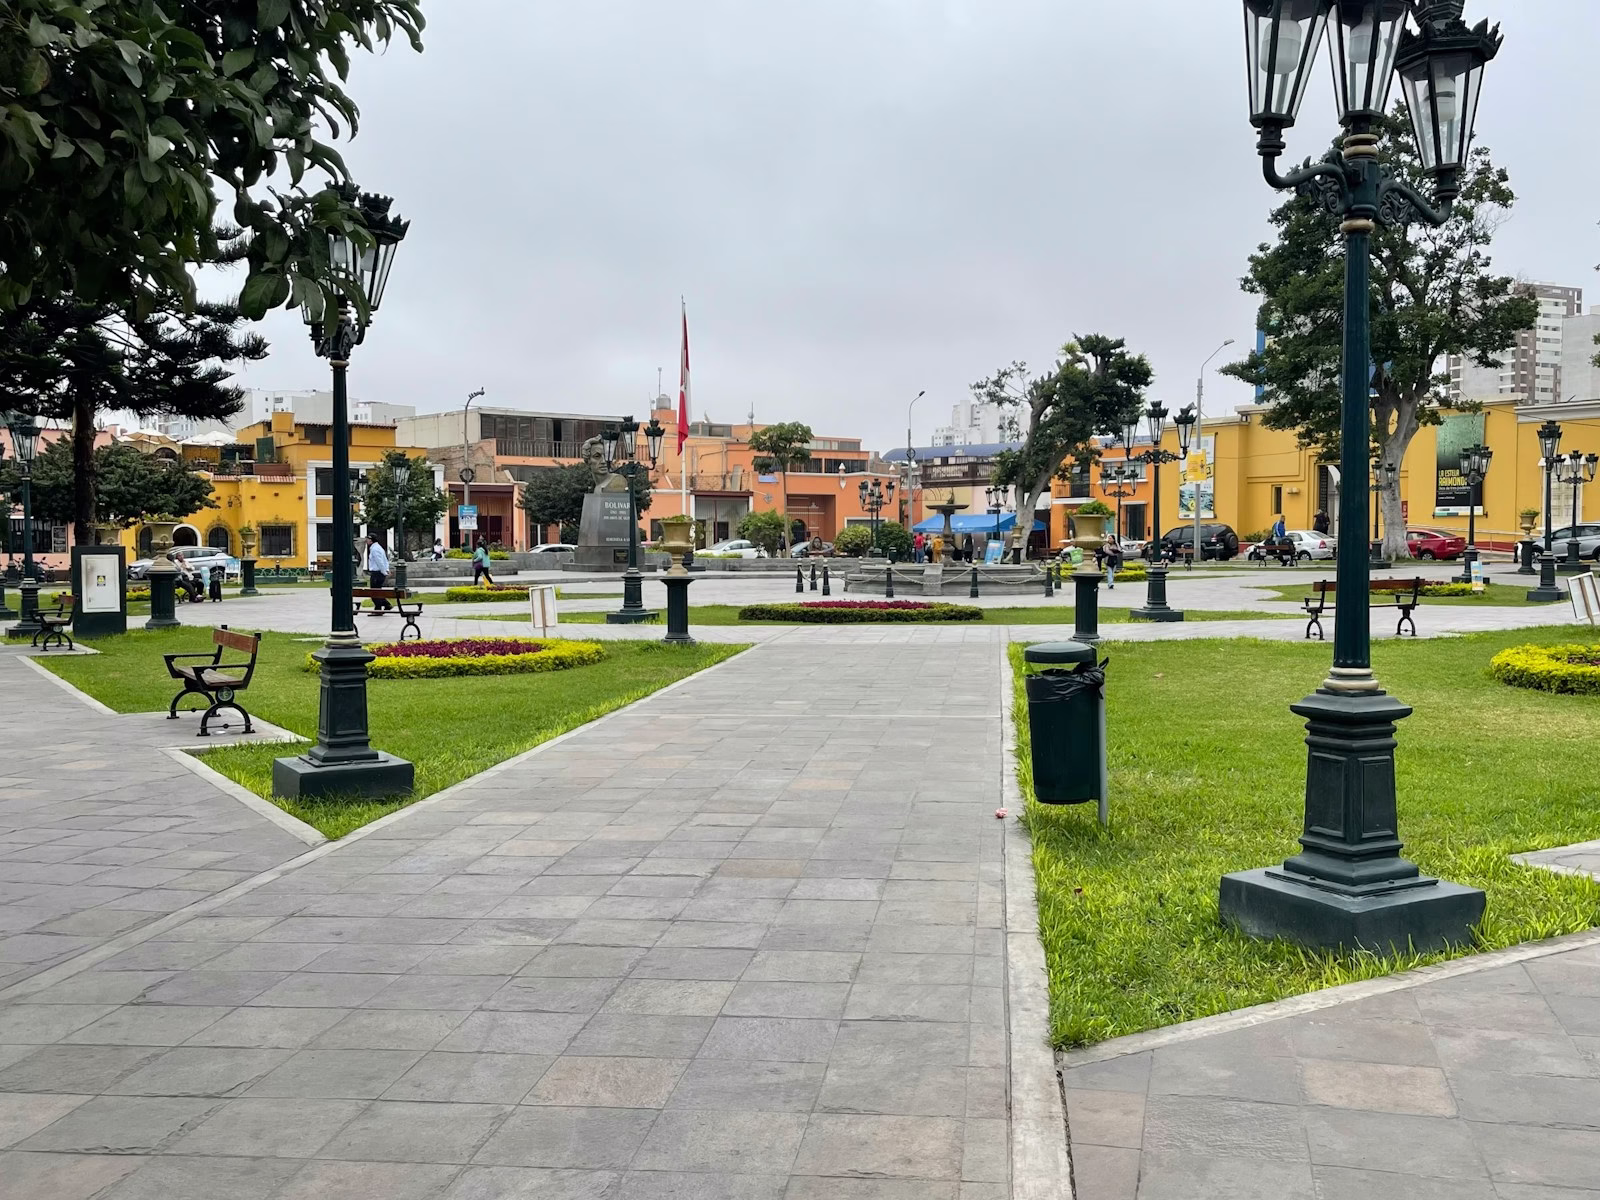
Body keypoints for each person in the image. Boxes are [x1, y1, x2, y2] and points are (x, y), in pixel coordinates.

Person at [367, 533, 392, 610]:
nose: (366, 541)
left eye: (368, 539)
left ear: (371, 540)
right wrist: (386, 570)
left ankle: (378, 608)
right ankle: (386, 605)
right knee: (377, 591)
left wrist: (384, 571)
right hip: (379, 573)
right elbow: (385, 560)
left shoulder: (375, 549)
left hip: (377, 573)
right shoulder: (379, 548)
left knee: (374, 592)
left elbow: (380, 562)